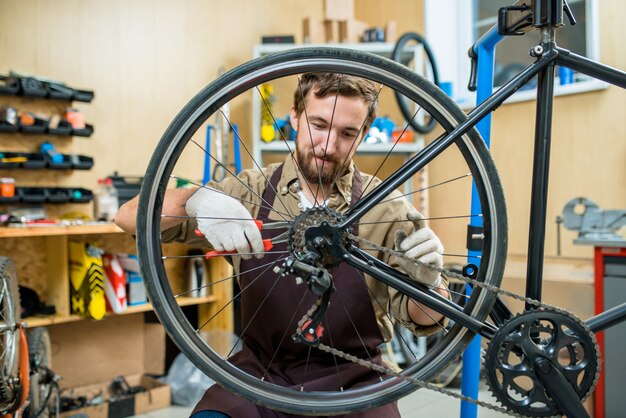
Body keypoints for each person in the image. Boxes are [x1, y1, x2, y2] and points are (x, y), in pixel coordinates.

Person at [115, 72, 449, 418]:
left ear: (363, 134)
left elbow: (425, 317)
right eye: (319, 125)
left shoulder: (389, 210)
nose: (328, 145)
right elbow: (127, 217)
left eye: (347, 133)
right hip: (259, 378)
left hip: (355, 385)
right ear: (295, 115)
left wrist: (429, 283)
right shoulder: (251, 190)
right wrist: (197, 200)